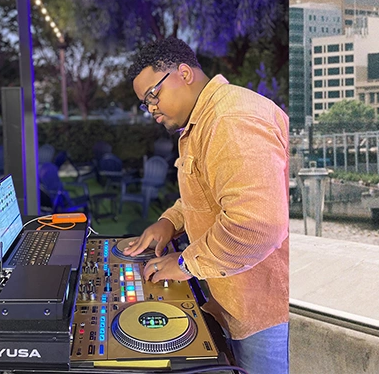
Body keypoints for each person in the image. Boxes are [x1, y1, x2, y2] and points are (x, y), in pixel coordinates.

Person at [122, 36, 290, 374]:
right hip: (233, 298)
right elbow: (207, 196)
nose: (151, 107)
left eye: (154, 95)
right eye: (145, 102)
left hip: (262, 312)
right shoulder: (204, 121)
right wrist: (169, 222)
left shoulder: (231, 120)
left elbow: (256, 225)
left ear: (183, 73)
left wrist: (183, 263)